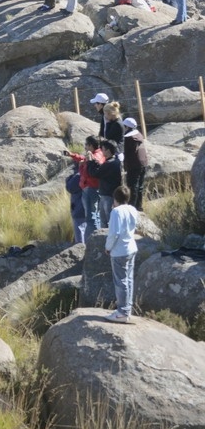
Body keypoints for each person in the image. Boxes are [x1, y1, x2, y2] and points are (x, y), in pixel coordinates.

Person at [105, 186, 138, 323]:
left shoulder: (116, 212)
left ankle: (122, 312)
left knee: (121, 281)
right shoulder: (133, 209)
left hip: (119, 251)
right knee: (129, 279)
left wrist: (108, 247)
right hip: (131, 248)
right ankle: (126, 309)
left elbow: (114, 233)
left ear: (115, 198)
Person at [66, 136, 105, 233]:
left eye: (86, 145)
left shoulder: (96, 156)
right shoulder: (95, 154)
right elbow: (83, 159)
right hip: (91, 187)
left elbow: (93, 166)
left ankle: (93, 239)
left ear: (91, 145)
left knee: (91, 216)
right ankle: (96, 237)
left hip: (91, 188)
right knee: (94, 215)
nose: (85, 147)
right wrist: (72, 155)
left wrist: (83, 165)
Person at [87, 139, 123, 227]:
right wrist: (94, 162)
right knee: (105, 220)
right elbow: (101, 170)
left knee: (107, 221)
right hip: (107, 194)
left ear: (108, 150)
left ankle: (108, 239)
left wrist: (90, 161)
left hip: (108, 196)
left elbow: (95, 173)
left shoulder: (110, 163)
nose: (101, 151)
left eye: (102, 149)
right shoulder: (114, 161)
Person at [122, 117, 148, 211]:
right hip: (143, 163)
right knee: (139, 187)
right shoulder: (138, 135)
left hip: (134, 165)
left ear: (127, 127)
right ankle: (139, 206)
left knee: (132, 187)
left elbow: (125, 152)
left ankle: (132, 208)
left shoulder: (129, 138)